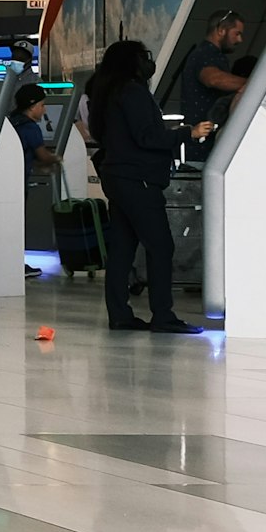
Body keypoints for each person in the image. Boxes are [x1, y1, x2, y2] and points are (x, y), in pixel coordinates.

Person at [87, 39, 187, 333]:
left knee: (122, 248)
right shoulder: (132, 92)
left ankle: (120, 314)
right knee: (160, 245)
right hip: (138, 178)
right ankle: (163, 315)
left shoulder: (106, 93)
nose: (148, 62)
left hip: (117, 177)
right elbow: (148, 137)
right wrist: (187, 133)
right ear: (132, 61)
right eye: (144, 57)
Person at [176, 9, 254, 148]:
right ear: (221, 30)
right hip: (201, 143)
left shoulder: (213, 55)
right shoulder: (205, 54)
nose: (239, 40)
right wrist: (256, 84)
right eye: (237, 34)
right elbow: (214, 79)